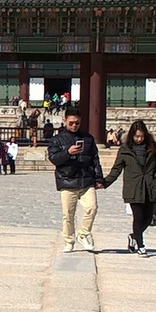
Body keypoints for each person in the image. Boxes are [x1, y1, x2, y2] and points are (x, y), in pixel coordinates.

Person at [101, 119, 156, 256]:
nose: (139, 139)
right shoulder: (125, 150)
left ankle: (134, 236)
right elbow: (117, 169)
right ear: (132, 136)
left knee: (148, 218)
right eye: (136, 136)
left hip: (150, 186)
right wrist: (105, 183)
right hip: (133, 187)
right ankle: (141, 245)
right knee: (138, 217)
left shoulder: (153, 148)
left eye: (141, 136)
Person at [46, 106, 103, 253]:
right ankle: (69, 240)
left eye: (77, 123)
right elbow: (54, 158)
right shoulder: (56, 140)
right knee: (68, 214)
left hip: (86, 180)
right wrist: (67, 152)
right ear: (65, 121)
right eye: (71, 123)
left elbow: (95, 160)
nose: (74, 125)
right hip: (67, 180)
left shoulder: (88, 139)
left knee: (92, 208)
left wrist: (99, 178)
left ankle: (83, 234)